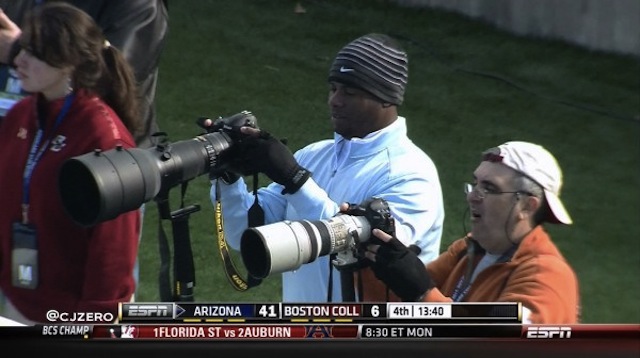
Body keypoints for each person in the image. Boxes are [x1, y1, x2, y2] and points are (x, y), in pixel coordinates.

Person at [210, 33, 445, 302]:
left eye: (350, 92)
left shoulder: (412, 174)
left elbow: (369, 251)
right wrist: (228, 177)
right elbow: (243, 233)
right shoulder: (313, 155)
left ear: (386, 98)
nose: (335, 100)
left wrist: (294, 178)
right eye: (333, 88)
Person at [0, 2, 141, 324]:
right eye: (21, 49)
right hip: (19, 302)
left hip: (76, 318)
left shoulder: (105, 140)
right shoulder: (22, 116)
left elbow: (113, 256)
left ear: (68, 64)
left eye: (33, 54)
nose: (18, 60)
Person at [354, 141, 580, 323]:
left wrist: (422, 293)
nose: (472, 196)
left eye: (489, 188)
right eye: (476, 184)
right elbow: (394, 312)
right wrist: (370, 258)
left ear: (526, 206)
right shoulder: (468, 249)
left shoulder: (548, 276)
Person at [0, 0, 169, 149]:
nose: (21, 60)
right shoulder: (20, 113)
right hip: (22, 137)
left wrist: (15, 48)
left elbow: (112, 74)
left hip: (90, 152)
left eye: (31, 50)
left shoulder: (137, 5)